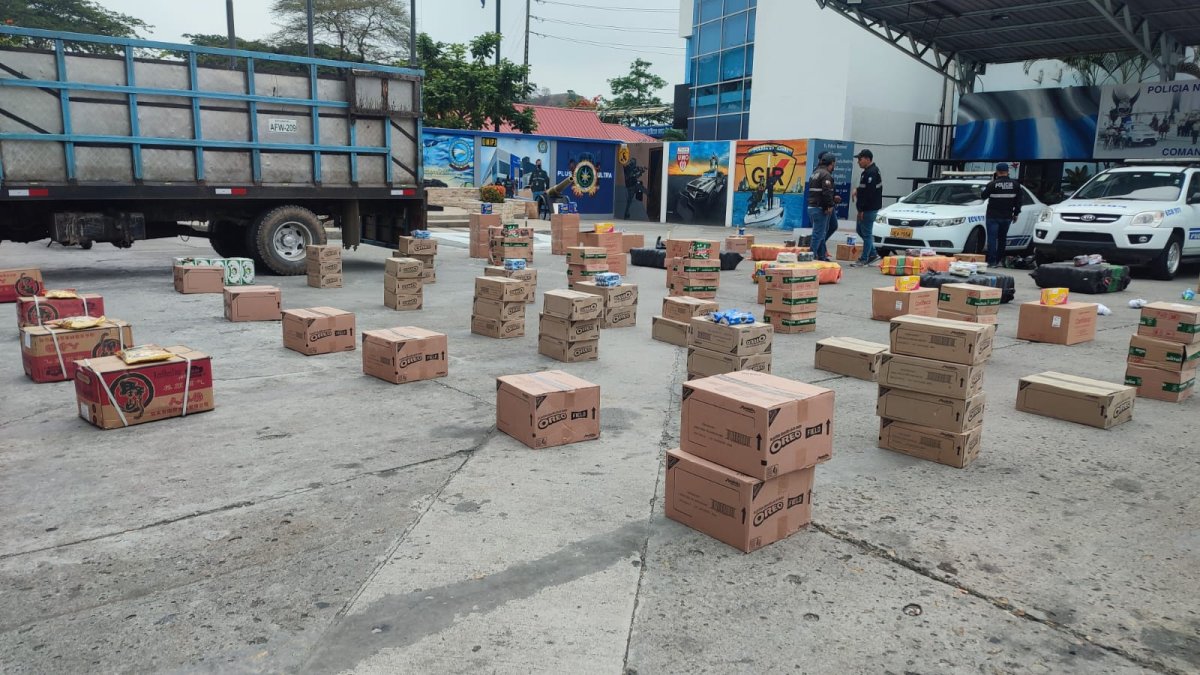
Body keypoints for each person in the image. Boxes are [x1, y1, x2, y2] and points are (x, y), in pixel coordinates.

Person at [980, 162, 1021, 268]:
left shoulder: (992, 184)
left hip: (993, 216)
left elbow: (983, 196)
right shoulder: (1015, 184)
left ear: (997, 172)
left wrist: (992, 182)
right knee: (1002, 239)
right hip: (1007, 216)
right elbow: (1018, 201)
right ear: (1008, 172)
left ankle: (992, 261)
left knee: (992, 239)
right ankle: (998, 260)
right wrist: (1016, 213)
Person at [851, 149, 883, 267]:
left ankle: (864, 259)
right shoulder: (867, 172)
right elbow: (864, 189)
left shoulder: (872, 173)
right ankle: (873, 254)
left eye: (860, 159)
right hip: (866, 208)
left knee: (867, 233)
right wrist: (857, 190)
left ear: (868, 159)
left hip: (869, 208)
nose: (858, 162)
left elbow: (869, 193)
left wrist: (862, 210)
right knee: (861, 231)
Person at [806, 153, 837, 261]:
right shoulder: (826, 175)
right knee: (818, 234)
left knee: (820, 233)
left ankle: (822, 256)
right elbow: (827, 193)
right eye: (834, 164)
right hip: (819, 208)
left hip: (811, 207)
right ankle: (811, 256)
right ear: (831, 163)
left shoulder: (815, 173)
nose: (834, 167)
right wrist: (829, 205)